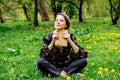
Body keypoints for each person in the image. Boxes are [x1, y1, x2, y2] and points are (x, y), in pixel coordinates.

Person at [37, 13, 88, 78]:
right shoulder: (48, 37)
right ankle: (66, 74)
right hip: (52, 64)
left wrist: (70, 41)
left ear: (66, 25)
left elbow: (82, 54)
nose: (58, 22)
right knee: (40, 61)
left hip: (66, 64)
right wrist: (52, 41)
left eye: (61, 20)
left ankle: (55, 74)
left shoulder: (70, 37)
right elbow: (43, 55)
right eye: (56, 20)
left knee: (83, 61)